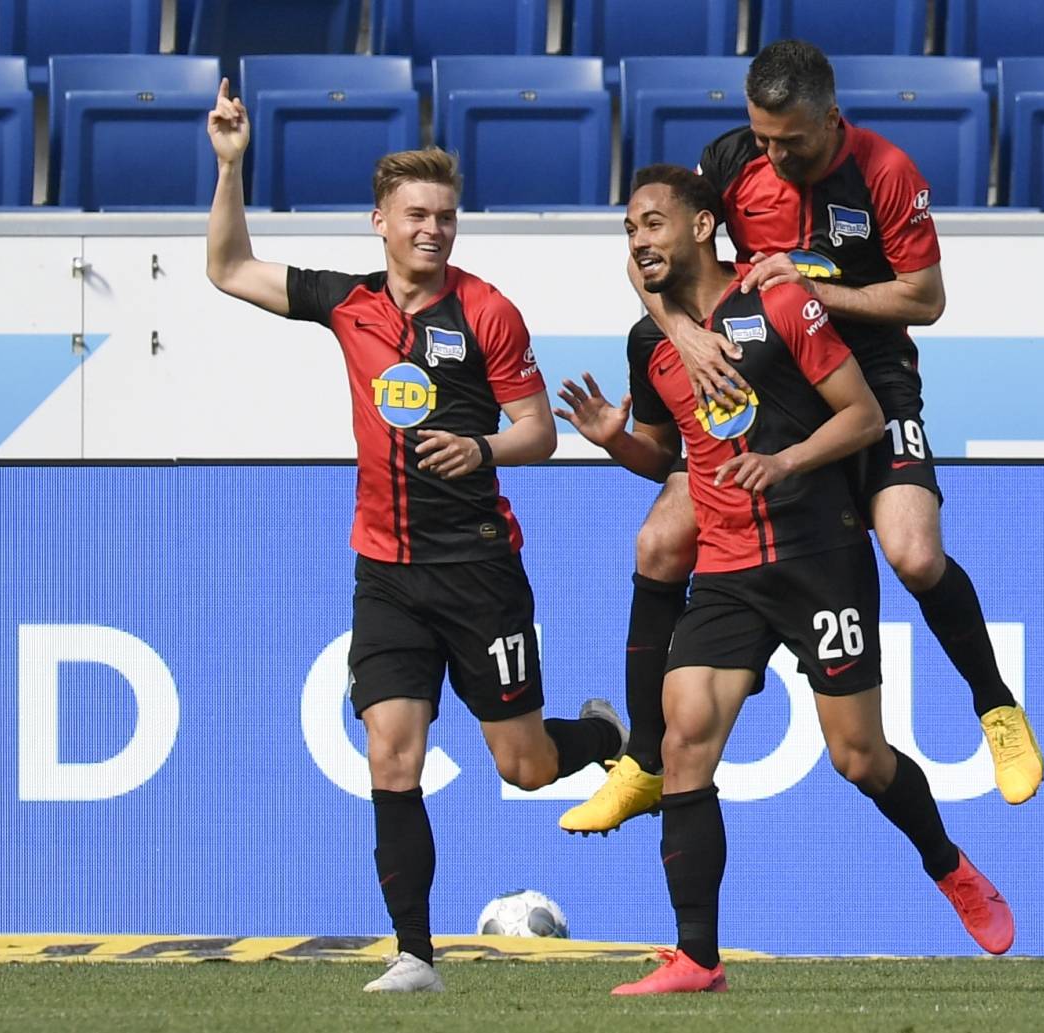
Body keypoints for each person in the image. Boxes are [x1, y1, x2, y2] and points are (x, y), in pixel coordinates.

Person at [204, 79, 626, 993]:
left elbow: (537, 432)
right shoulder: (347, 302)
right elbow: (230, 270)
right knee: (391, 753)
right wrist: (231, 167)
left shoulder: (487, 313)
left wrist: (479, 446)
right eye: (417, 215)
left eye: (446, 215)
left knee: (524, 767)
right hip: (385, 573)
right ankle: (415, 955)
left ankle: (600, 737)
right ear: (380, 223)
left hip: (478, 569)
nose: (433, 229)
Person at [559, 40, 1041, 836]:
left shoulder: (886, 173)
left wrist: (812, 287)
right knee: (658, 543)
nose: (774, 155)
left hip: (870, 380)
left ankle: (997, 707)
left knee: (916, 554)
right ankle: (643, 760)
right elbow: (652, 245)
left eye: (792, 140)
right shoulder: (731, 159)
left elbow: (925, 299)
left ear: (831, 117)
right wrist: (678, 332)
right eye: (763, 137)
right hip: (768, 378)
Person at [557, 165, 1015, 994]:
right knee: (686, 733)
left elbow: (863, 416)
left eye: (653, 223)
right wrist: (611, 440)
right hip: (728, 568)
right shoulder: (650, 344)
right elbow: (664, 455)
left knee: (859, 756)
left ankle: (949, 865)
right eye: (629, 231)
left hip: (818, 555)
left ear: (703, 226)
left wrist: (788, 460)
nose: (639, 242)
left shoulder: (781, 302)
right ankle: (697, 956)